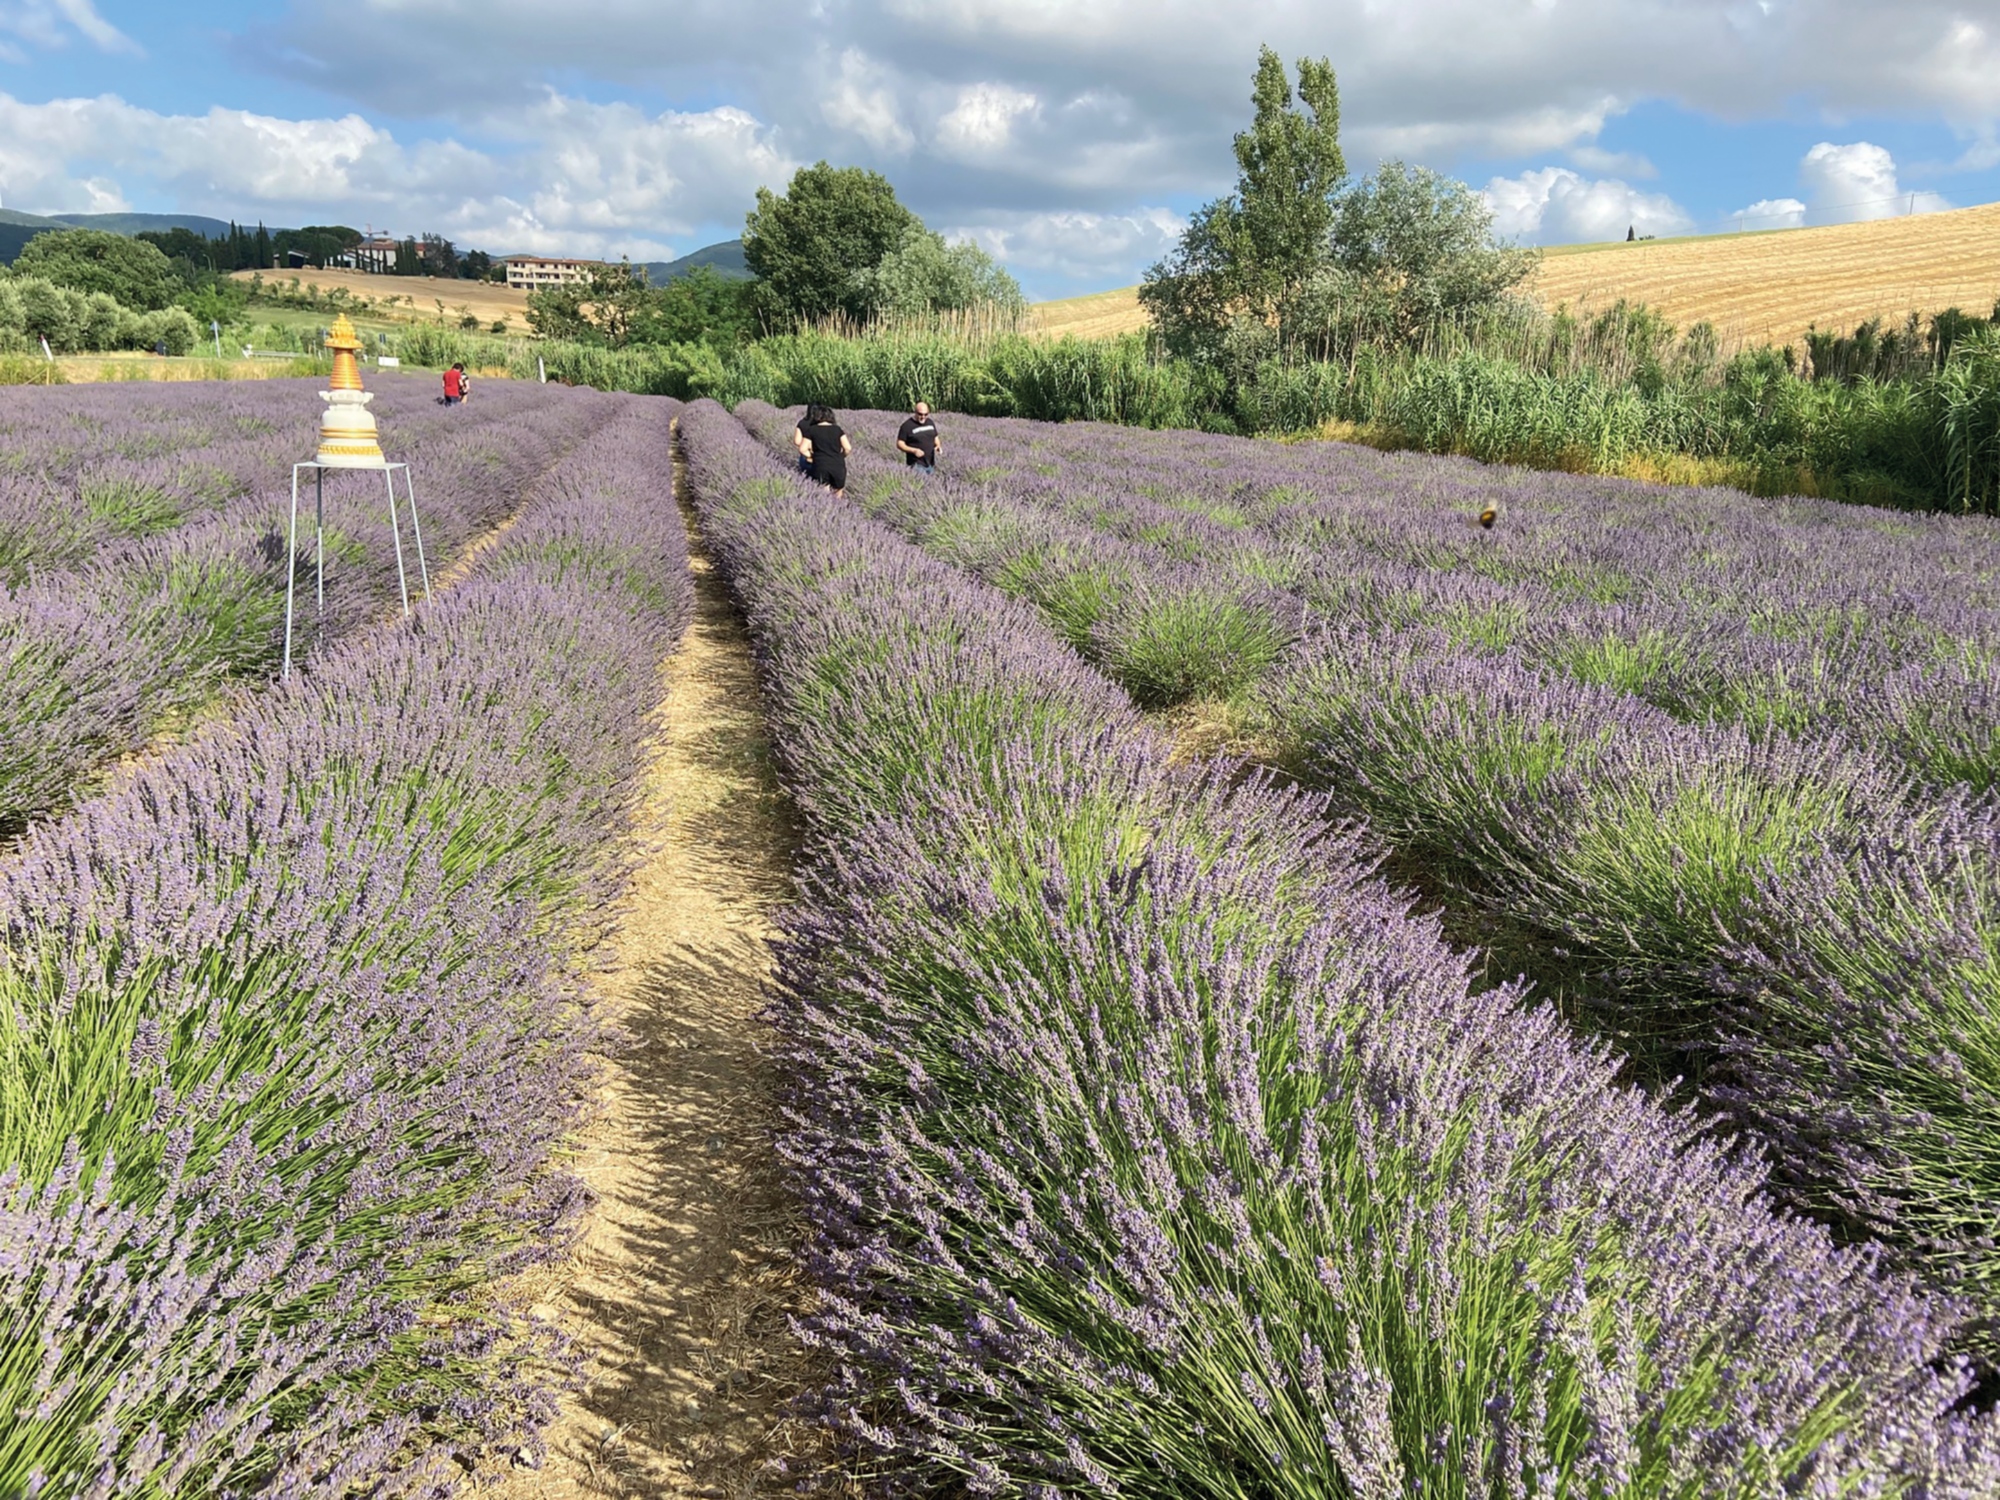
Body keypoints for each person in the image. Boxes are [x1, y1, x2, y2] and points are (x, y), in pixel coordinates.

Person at [796, 403, 851, 496]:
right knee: (838, 491)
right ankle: (838, 509)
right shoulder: (837, 429)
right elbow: (848, 448)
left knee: (824, 493)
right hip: (837, 465)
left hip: (820, 465)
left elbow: (802, 449)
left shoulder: (812, 430)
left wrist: (813, 456)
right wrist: (841, 456)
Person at [896, 401, 941, 473]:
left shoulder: (930, 423)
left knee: (930, 483)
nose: (923, 417)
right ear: (915, 412)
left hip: (930, 464)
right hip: (916, 465)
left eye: (926, 414)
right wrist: (914, 450)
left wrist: (938, 445)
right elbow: (899, 443)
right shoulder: (907, 426)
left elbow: (935, 437)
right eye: (920, 414)